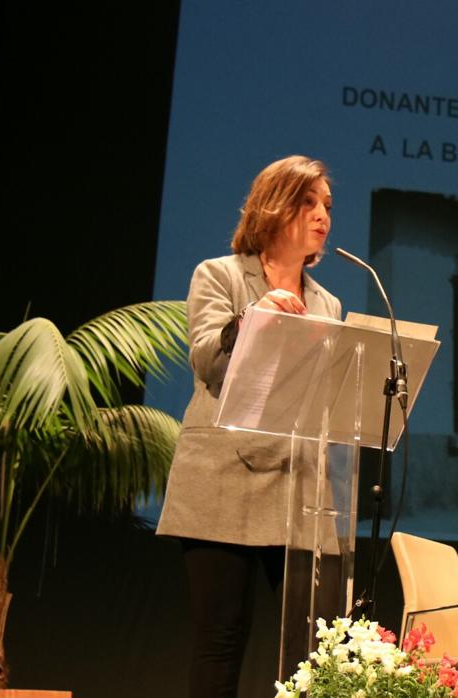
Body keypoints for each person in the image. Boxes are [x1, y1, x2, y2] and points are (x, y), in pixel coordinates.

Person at [156, 155, 342, 698]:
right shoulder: (221, 275)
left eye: (327, 206)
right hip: (221, 478)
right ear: (274, 206)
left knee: (312, 647)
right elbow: (208, 364)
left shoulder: (328, 302)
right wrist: (254, 317)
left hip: (298, 483)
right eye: (308, 203)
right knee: (222, 636)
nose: (321, 216)